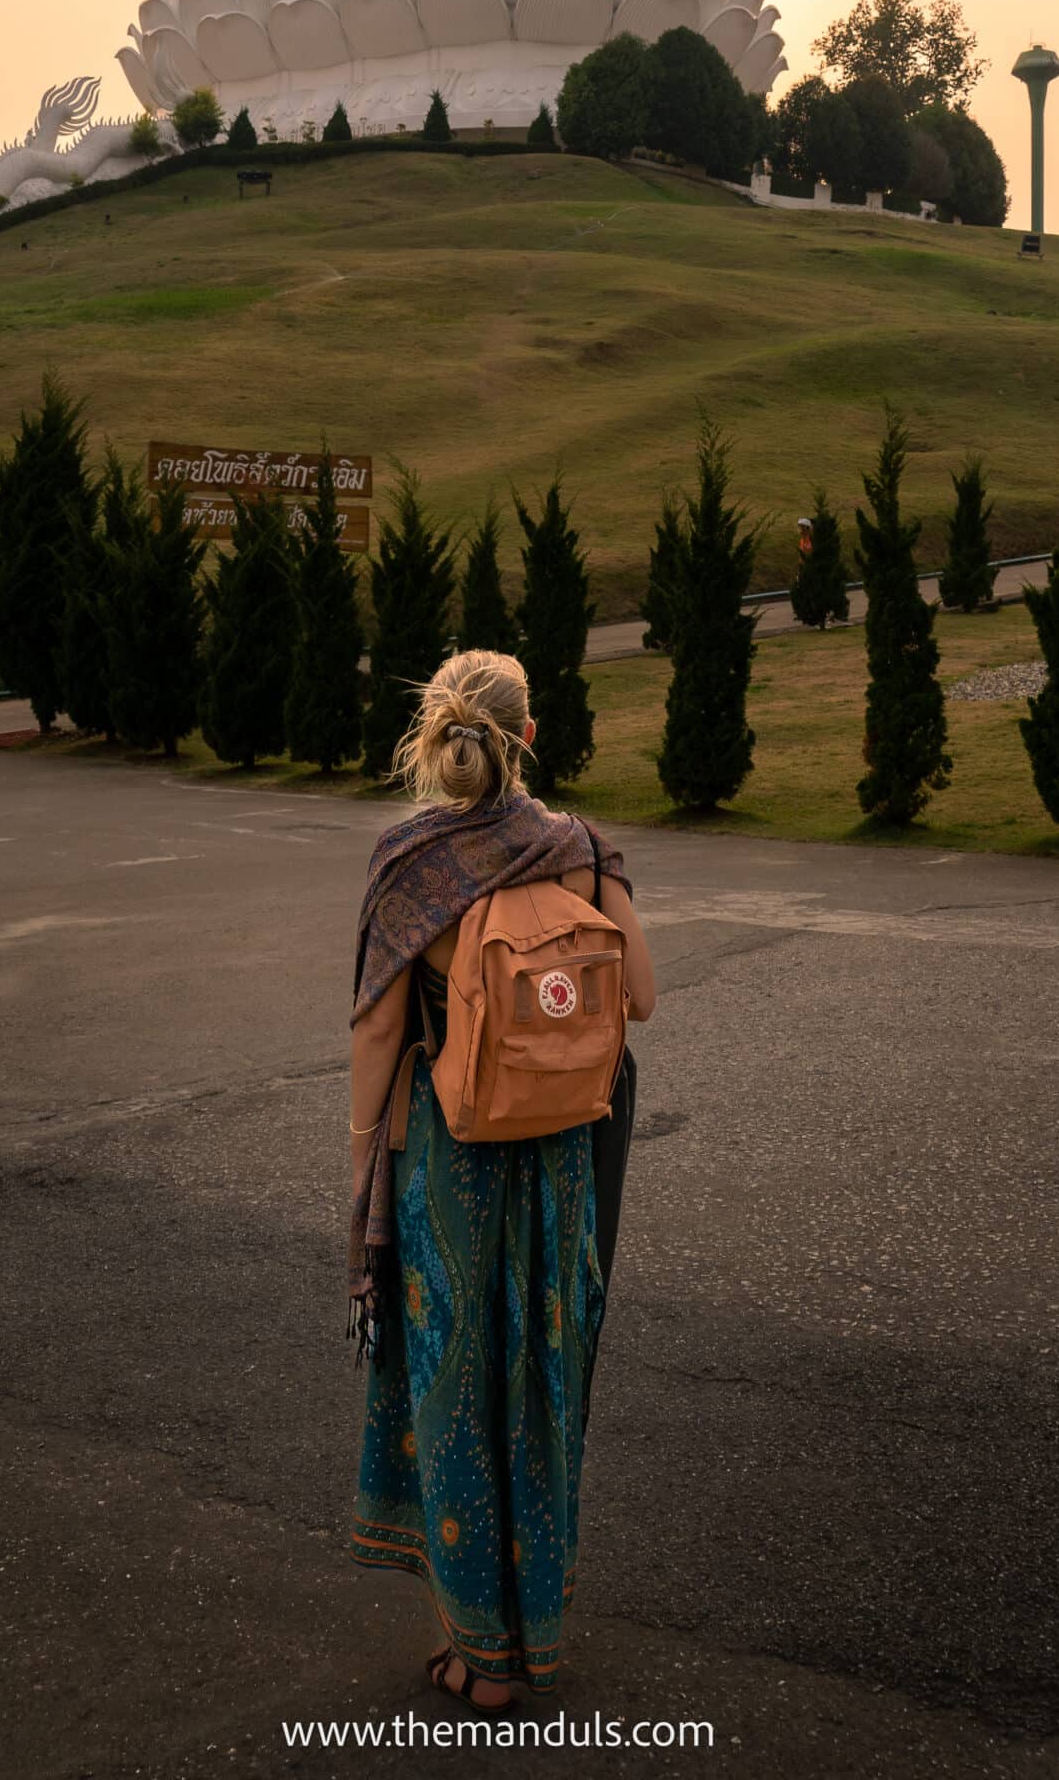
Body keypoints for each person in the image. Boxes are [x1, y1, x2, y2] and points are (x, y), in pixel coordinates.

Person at [347, 648, 656, 1713]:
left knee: (453, 1385)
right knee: (539, 1380)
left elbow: (380, 1027)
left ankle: (475, 1652)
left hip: (451, 1156)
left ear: (436, 736)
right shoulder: (579, 847)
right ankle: (535, 1636)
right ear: (529, 735)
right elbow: (643, 996)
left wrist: (359, 1165)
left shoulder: (407, 859)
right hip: (561, 1156)